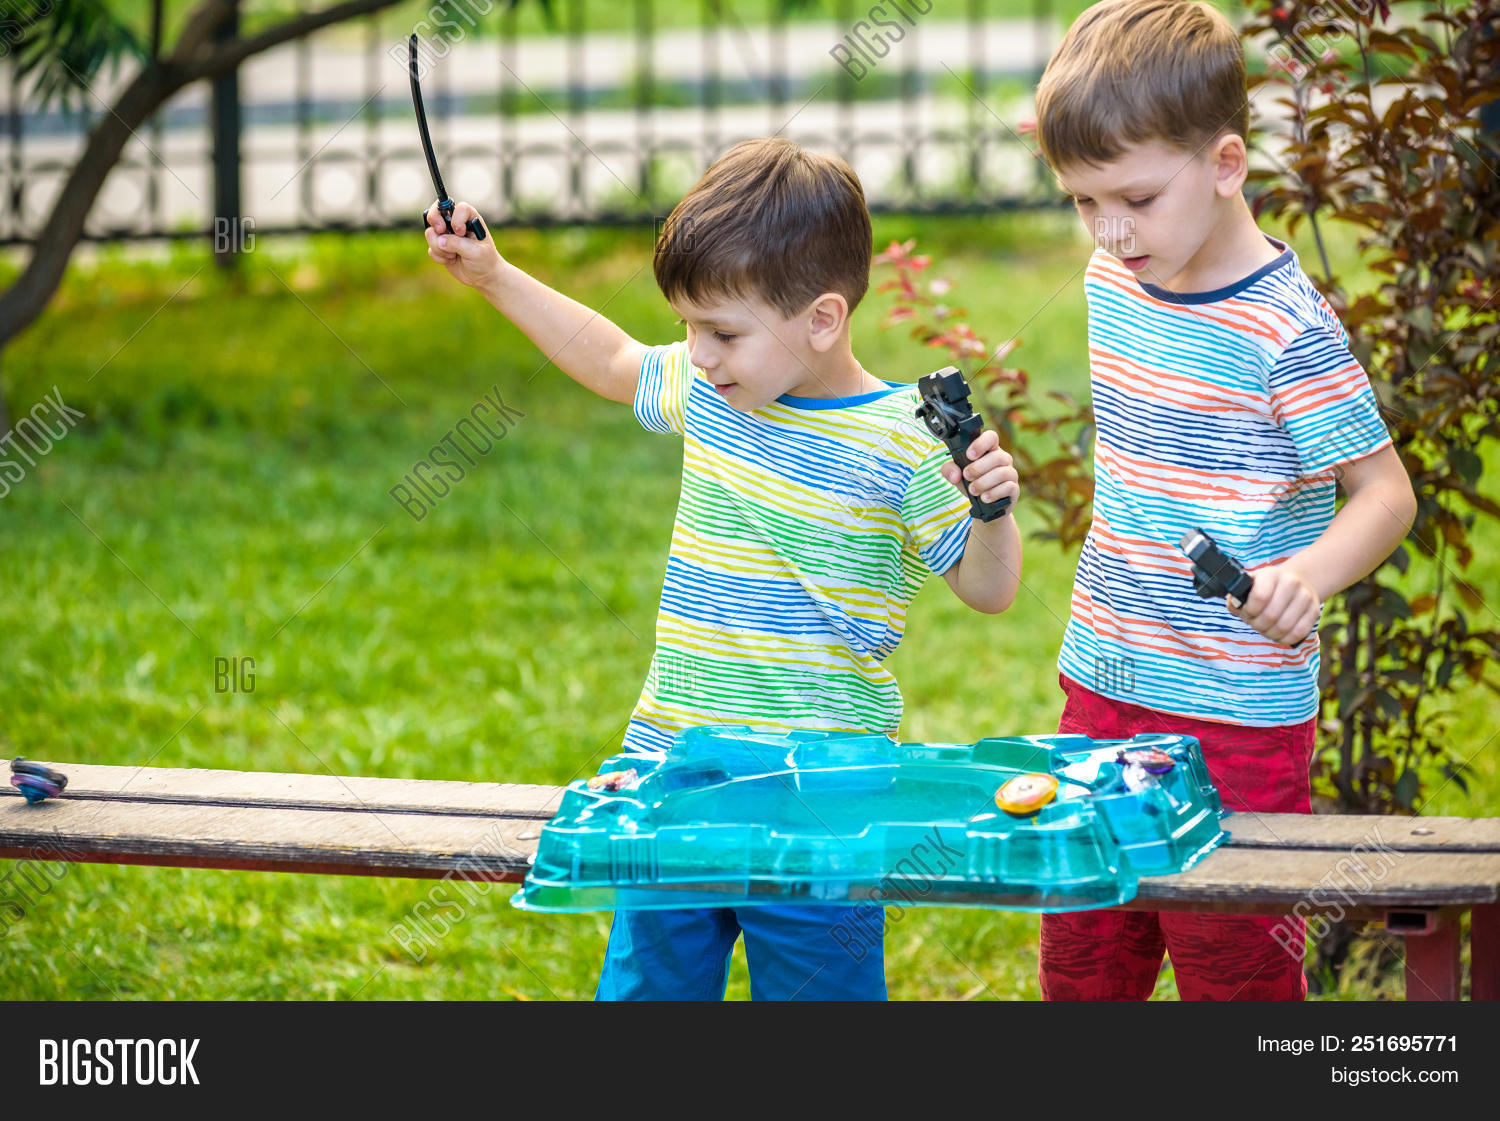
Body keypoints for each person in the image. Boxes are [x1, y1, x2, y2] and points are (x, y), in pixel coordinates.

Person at [424, 136, 1024, 1000]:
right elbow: (611, 358)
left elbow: (990, 586)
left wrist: (991, 510)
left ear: (822, 319)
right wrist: (492, 274)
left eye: (723, 332)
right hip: (675, 772)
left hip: (821, 799)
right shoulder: (714, 392)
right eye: (690, 329)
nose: (699, 354)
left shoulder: (903, 441)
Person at [1031, 0, 1417, 1000]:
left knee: (1233, 973)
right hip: (1103, 677)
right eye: (1081, 203)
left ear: (1226, 164)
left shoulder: (1287, 331)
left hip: (1238, 714)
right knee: (1084, 961)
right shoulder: (1116, 278)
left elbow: (1385, 494)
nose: (1110, 231)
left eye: (1135, 198)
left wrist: (1305, 575)